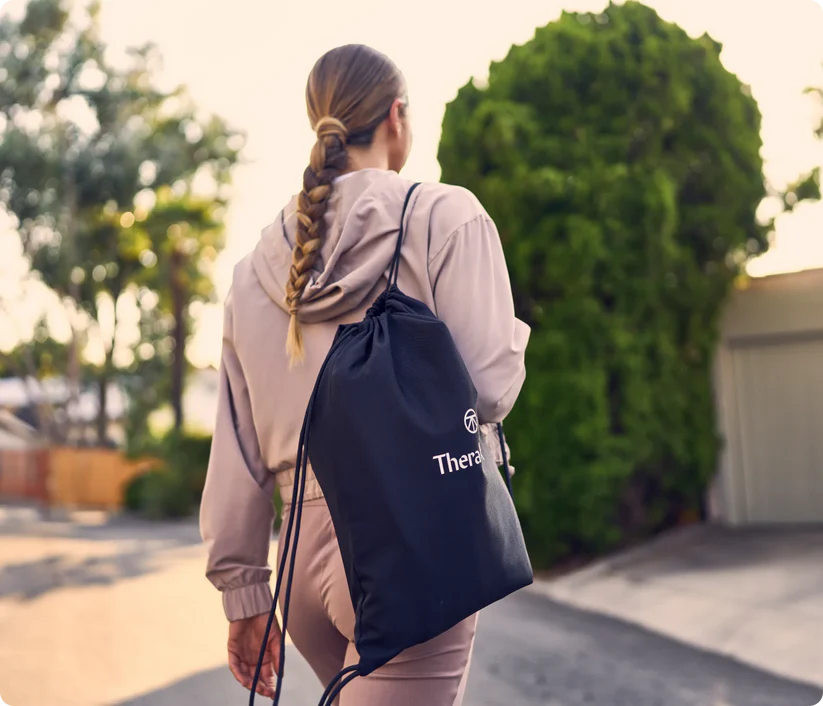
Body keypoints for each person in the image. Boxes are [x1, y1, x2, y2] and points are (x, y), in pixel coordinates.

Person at [200, 44, 530, 706]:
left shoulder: (249, 274)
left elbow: (234, 448)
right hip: (408, 537)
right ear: (396, 115)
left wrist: (244, 592)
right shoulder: (446, 216)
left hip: (300, 558)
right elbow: (489, 389)